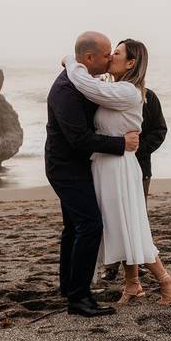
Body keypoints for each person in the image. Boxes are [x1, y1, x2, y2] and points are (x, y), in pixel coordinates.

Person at [63, 38, 171, 306]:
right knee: (119, 227)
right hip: (106, 165)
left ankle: (166, 280)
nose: (110, 57)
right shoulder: (114, 88)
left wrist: (73, 63)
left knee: (129, 226)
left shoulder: (129, 92)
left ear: (131, 62)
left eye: (115, 53)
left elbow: (85, 85)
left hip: (119, 167)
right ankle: (132, 285)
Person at [45, 31, 141, 318]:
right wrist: (120, 144)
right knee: (90, 226)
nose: (110, 57)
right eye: (106, 53)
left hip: (76, 164)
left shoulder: (84, 82)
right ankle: (79, 298)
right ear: (89, 58)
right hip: (65, 167)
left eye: (114, 53)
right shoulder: (65, 90)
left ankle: (70, 287)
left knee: (74, 227)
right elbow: (79, 139)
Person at [100, 84, 167, 282]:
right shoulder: (108, 95)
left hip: (139, 168)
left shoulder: (148, 97)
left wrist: (135, 152)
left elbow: (159, 130)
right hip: (111, 167)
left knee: (135, 219)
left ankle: (137, 265)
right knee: (111, 218)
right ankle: (111, 265)